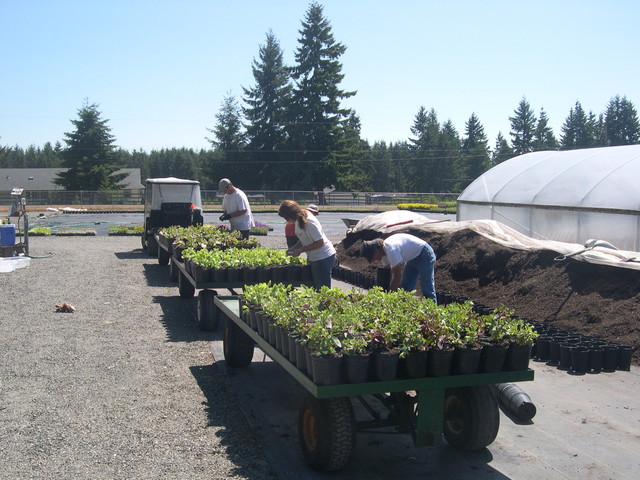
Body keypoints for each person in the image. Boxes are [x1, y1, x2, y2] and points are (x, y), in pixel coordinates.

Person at [359, 233, 437, 303]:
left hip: (424, 253)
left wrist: (390, 298)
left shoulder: (391, 250)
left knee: (427, 289)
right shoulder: (383, 254)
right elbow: (387, 272)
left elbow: (397, 277)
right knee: (405, 289)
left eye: (373, 258)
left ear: (376, 251)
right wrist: (382, 292)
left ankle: (434, 316)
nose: (374, 260)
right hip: (412, 257)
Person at [278, 200, 336, 290]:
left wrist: (300, 250)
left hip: (323, 258)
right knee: (315, 287)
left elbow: (320, 242)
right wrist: (294, 248)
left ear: (290, 215)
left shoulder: (308, 222)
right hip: (315, 258)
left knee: (322, 290)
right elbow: (304, 238)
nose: (286, 221)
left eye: (285, 218)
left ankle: (326, 303)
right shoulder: (298, 220)